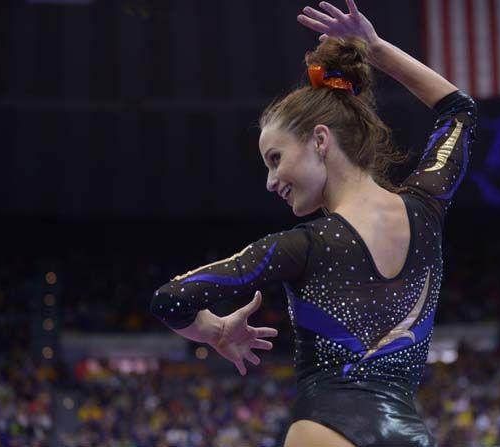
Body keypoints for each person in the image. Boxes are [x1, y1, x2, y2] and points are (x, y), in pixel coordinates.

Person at [150, 1, 476, 445]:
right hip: (409, 432)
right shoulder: (427, 208)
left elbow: (171, 300)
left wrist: (215, 331)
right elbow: (459, 111)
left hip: (327, 429)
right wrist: (376, 49)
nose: (270, 181)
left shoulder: (300, 246)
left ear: (320, 140)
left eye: (275, 159)